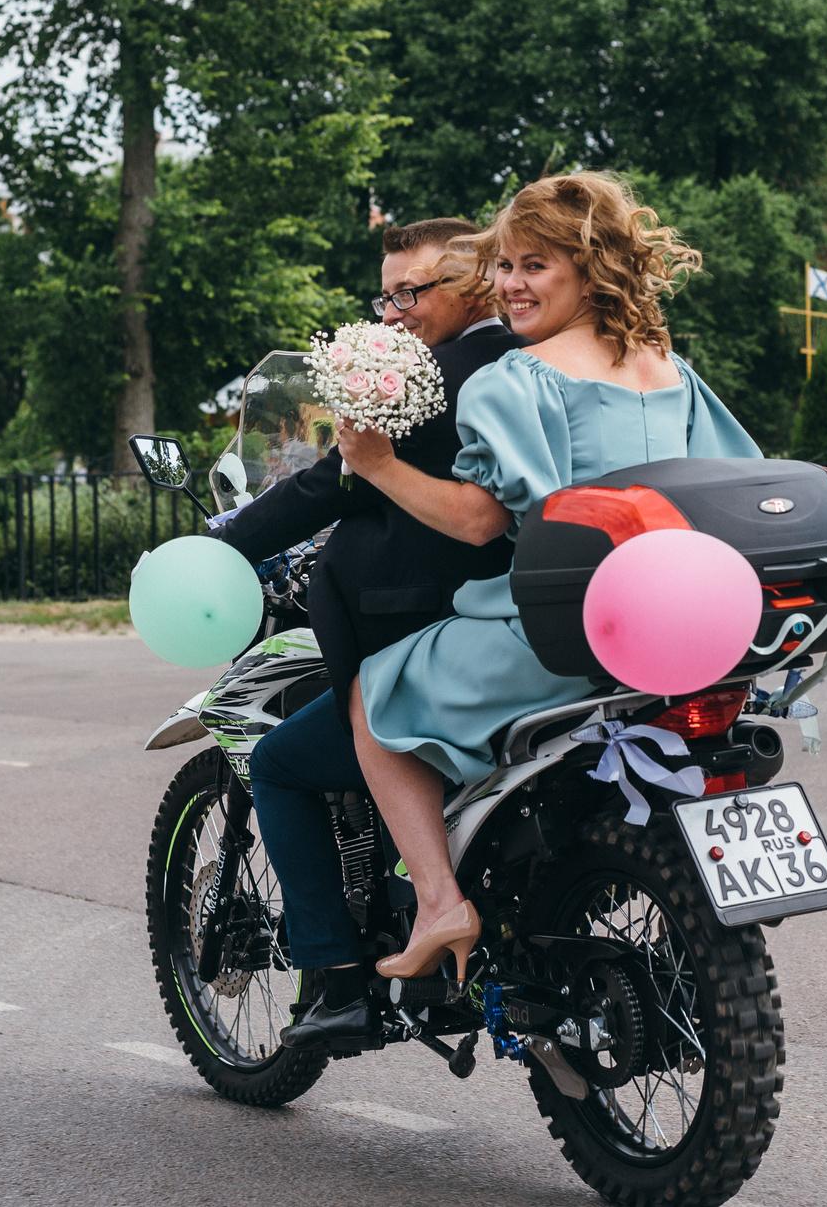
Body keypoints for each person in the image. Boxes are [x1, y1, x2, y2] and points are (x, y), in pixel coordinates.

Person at [333, 173, 760, 990]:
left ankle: (438, 903)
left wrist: (376, 464)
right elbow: (727, 483)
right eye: (502, 265)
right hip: (675, 633)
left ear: (590, 268)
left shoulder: (516, 379)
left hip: (561, 637)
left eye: (536, 264)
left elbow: (479, 521)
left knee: (370, 695)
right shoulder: (670, 370)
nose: (510, 284)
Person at [215, 219, 527, 1053]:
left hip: (428, 635)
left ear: (474, 283)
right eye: (385, 295)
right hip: (523, 624)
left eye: (412, 291)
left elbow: (336, 480)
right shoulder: (534, 359)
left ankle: (340, 980)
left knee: (279, 763)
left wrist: (221, 542)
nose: (394, 312)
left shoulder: (448, 369)